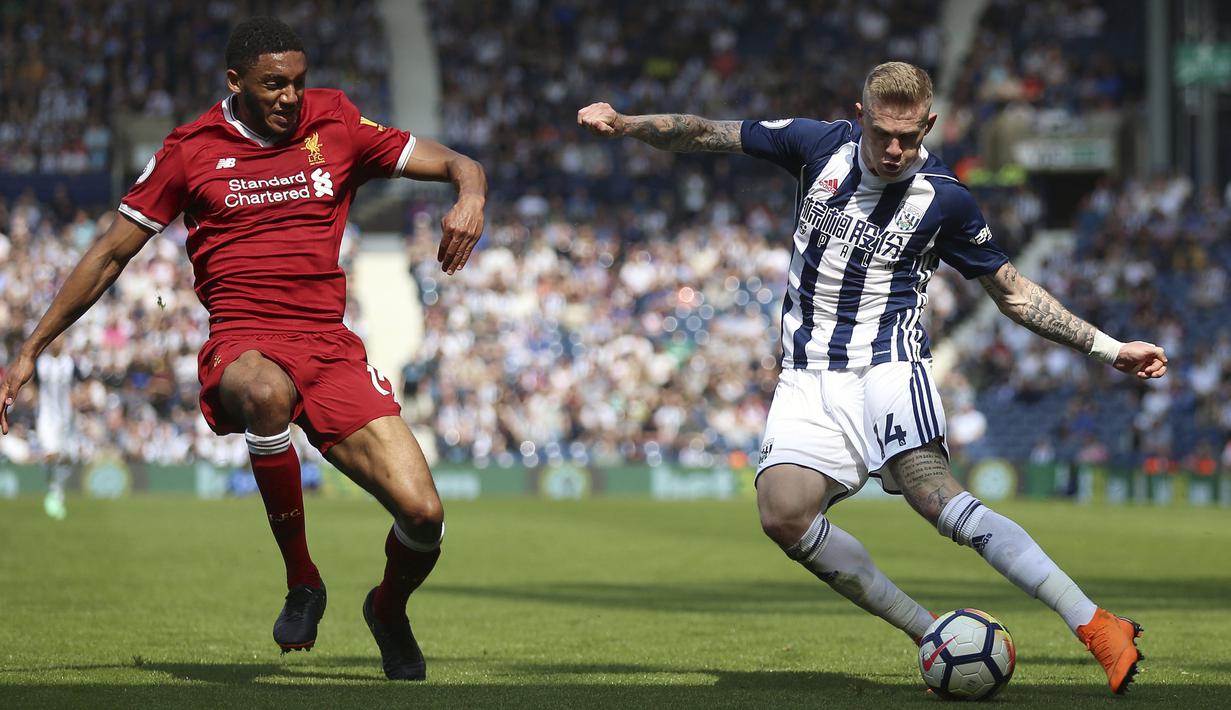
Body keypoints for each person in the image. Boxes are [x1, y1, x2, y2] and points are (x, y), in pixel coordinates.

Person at [578, 61, 1166, 695]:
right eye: (883, 133)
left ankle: (1097, 625)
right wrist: (628, 124)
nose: (894, 150)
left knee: (934, 498)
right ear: (860, 116)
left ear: (929, 125)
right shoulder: (816, 146)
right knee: (782, 515)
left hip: (888, 364)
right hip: (807, 376)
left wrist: (1109, 349)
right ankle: (929, 633)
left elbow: (1015, 294)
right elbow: (704, 132)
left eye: (909, 138)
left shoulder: (945, 199)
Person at [0, 17, 486, 681]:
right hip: (243, 338)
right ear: (236, 82)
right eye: (273, 85)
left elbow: (457, 161)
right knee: (263, 393)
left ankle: (388, 609)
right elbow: (111, 251)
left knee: (424, 516)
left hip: (329, 347)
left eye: (297, 82)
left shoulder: (335, 121)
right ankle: (303, 581)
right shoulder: (190, 150)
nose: (289, 96)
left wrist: (471, 192)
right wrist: (30, 348)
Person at [36, 337, 76, 520]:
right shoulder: (41, 363)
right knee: (51, 454)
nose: (56, 343)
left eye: (60, 340)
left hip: (66, 419)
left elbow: (78, 385)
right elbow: (34, 385)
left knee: (66, 458)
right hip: (46, 417)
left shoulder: (69, 363)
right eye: (54, 340)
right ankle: (52, 491)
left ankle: (57, 491)